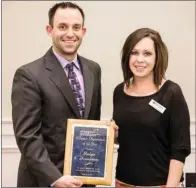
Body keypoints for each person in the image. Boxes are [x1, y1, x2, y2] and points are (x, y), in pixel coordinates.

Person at [11, 2, 102, 187]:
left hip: (84, 179)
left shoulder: (93, 69)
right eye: (62, 27)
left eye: (76, 27)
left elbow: (91, 125)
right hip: (44, 181)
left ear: (83, 31)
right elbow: (27, 136)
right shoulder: (28, 75)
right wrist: (54, 178)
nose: (70, 33)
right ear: (49, 30)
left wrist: (108, 134)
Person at [112, 28, 191, 187]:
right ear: (128, 56)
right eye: (134, 52)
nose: (140, 59)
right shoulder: (119, 91)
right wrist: (113, 135)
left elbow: (180, 149)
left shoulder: (171, 93)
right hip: (123, 183)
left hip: (160, 185)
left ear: (157, 58)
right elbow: (128, 139)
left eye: (147, 54)